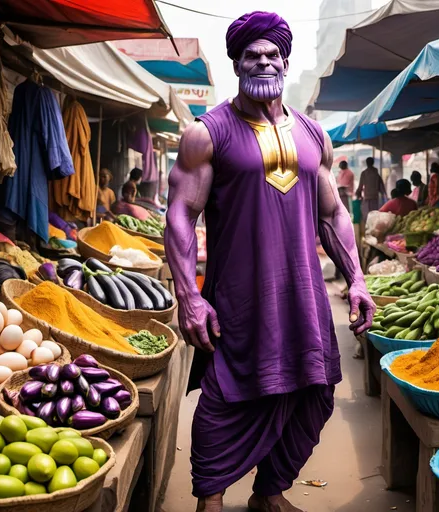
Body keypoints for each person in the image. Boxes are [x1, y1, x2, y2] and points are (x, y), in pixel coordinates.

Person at [165, 11, 375, 512]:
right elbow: (179, 216)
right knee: (225, 399)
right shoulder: (206, 133)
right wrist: (189, 297)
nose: (263, 61)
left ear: (284, 61)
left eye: (271, 54)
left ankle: (270, 493)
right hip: (238, 298)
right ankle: (210, 500)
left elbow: (334, 215)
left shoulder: (313, 135)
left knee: (314, 394)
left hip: (304, 297)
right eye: (251, 55)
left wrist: (359, 279)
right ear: (237, 64)